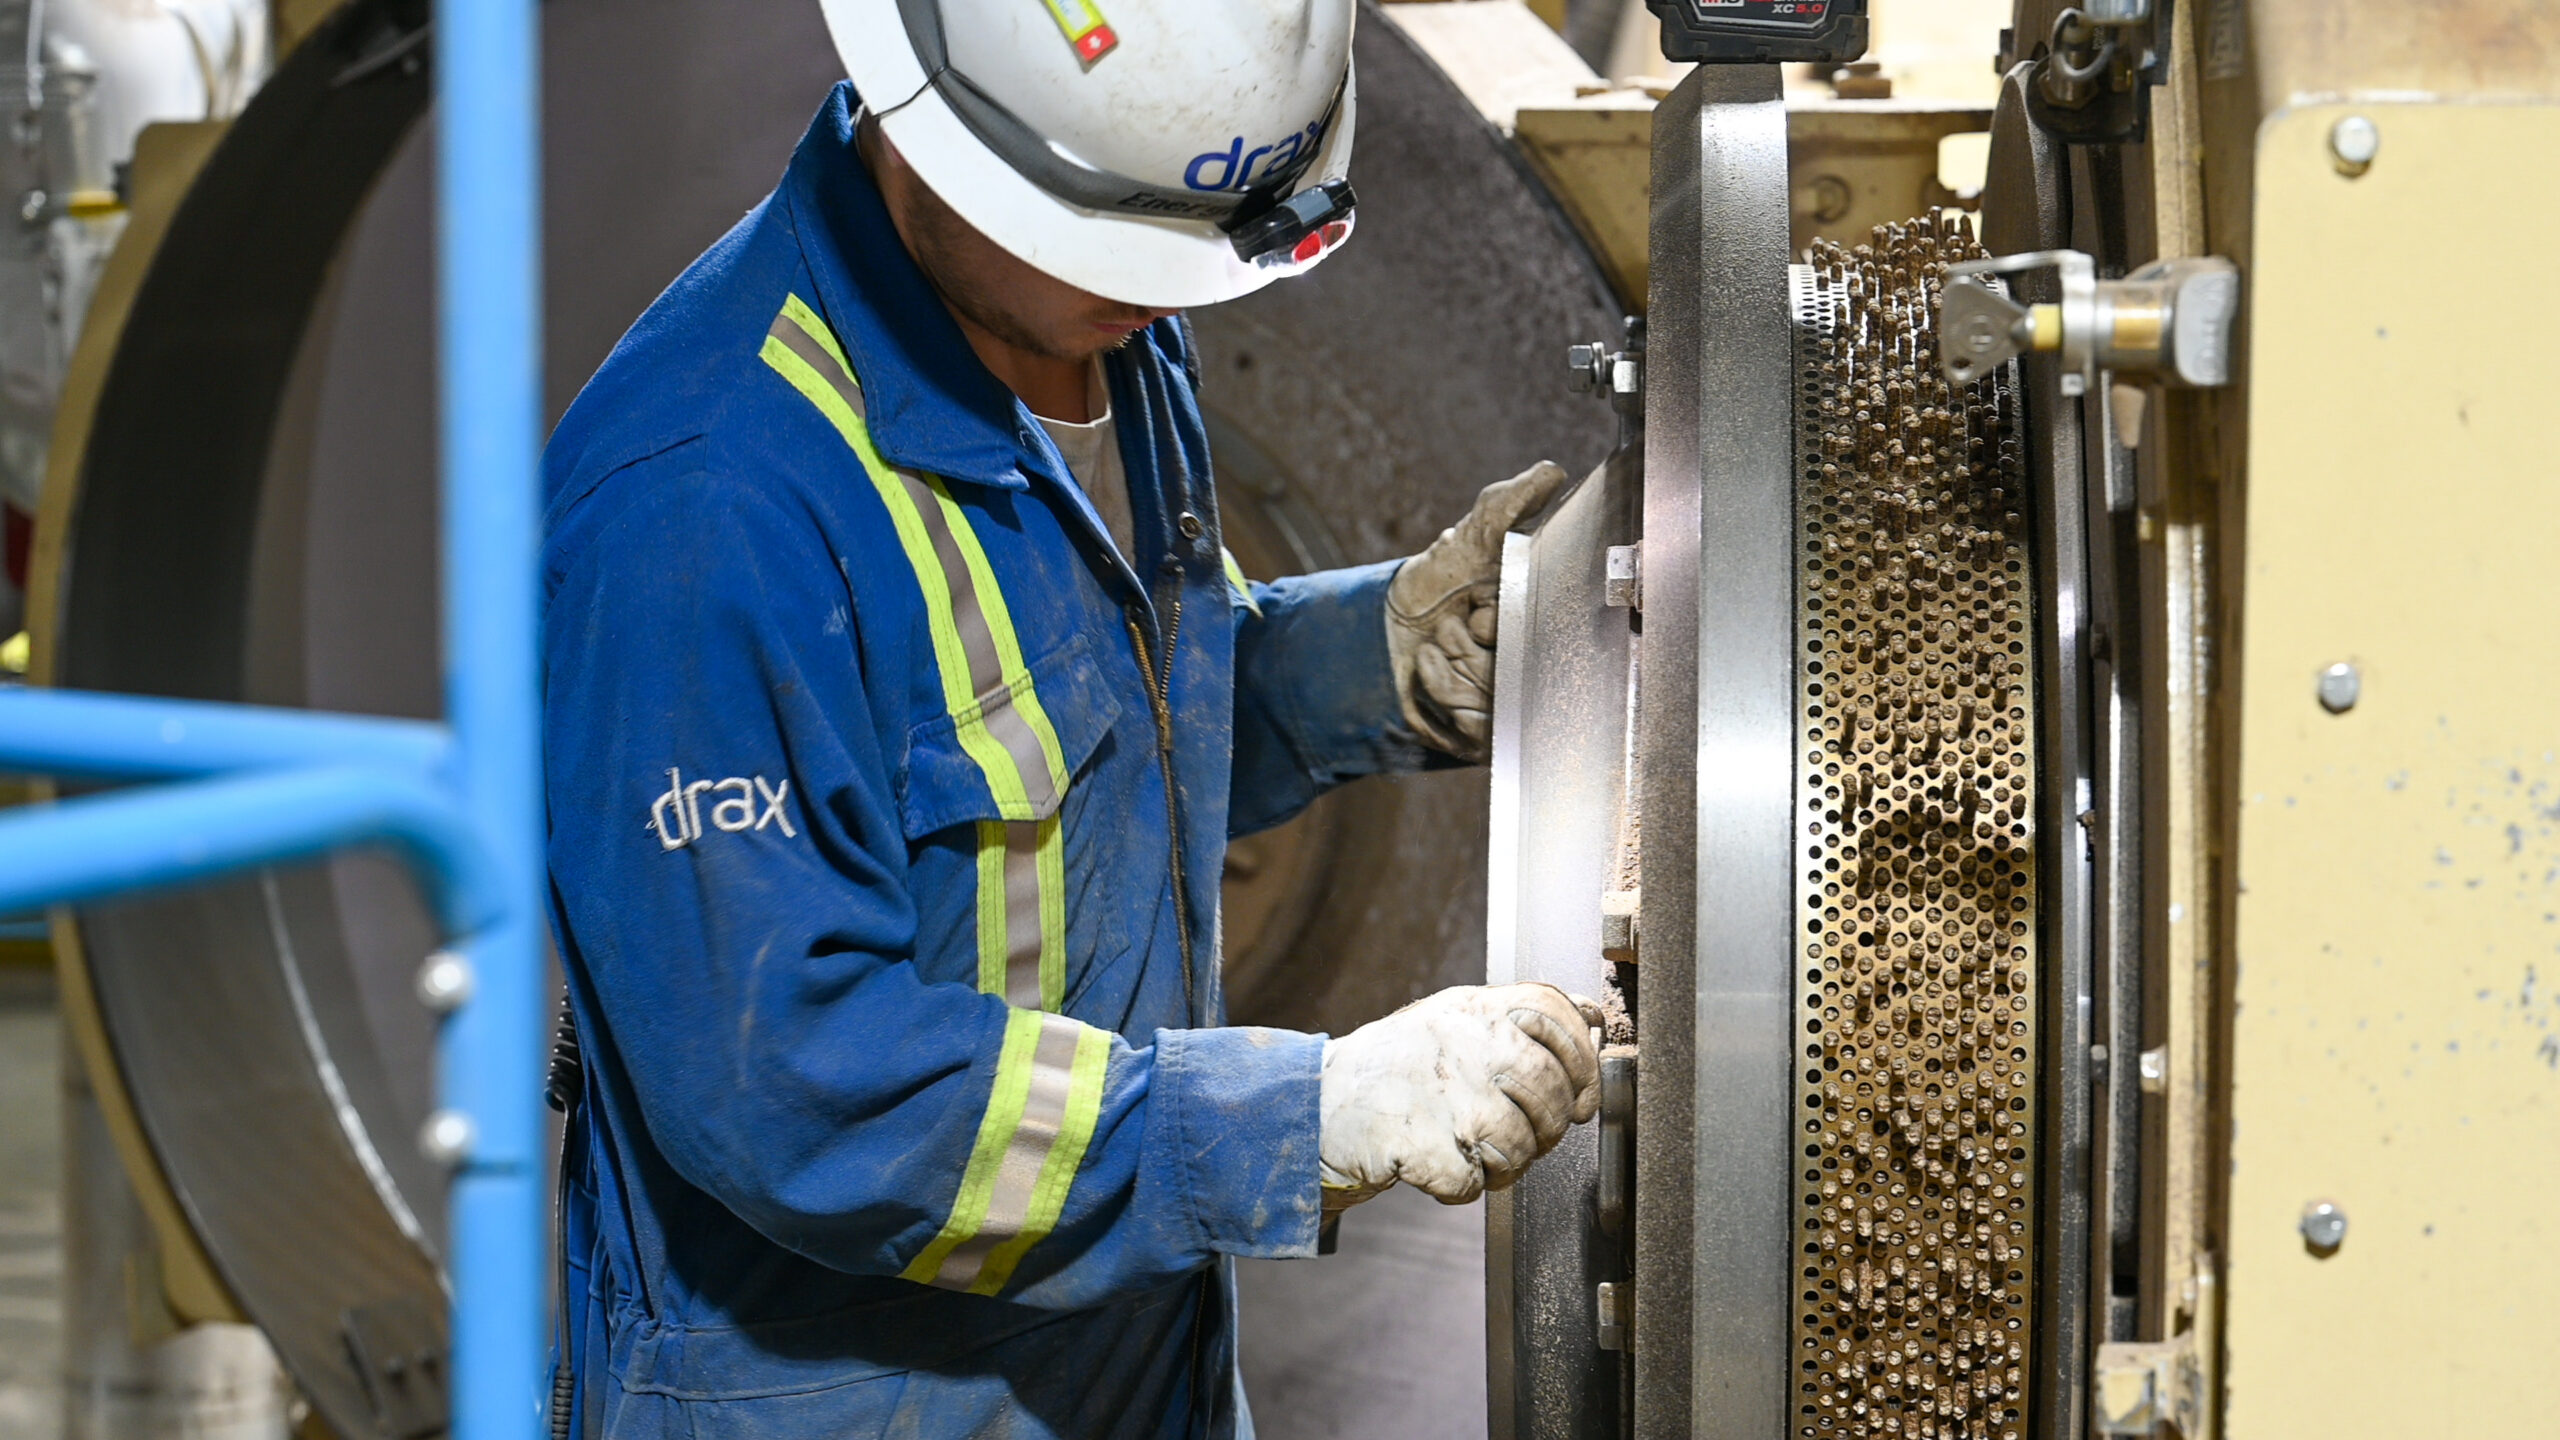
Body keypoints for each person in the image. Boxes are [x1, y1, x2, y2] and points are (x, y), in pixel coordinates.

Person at [539, 2, 1596, 1434]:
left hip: (1121, 1371)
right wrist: (1295, 1122)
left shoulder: (1092, 330)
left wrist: (1387, 657)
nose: (1160, 292)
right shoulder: (704, 509)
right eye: (1119, 246)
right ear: (941, 131)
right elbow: (800, 1093)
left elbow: (1124, 730)